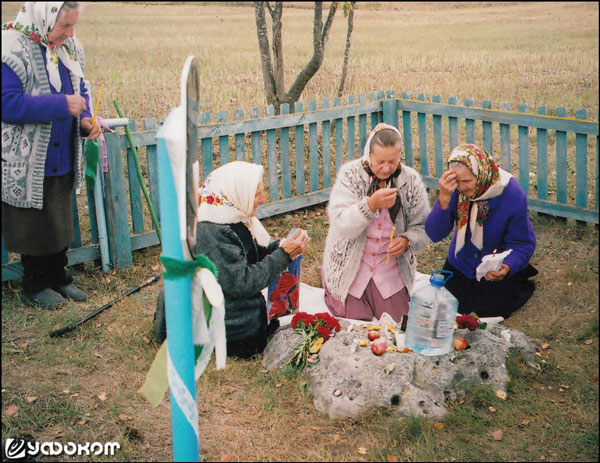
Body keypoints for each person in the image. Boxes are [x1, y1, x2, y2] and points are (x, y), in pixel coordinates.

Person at [154, 161, 310, 359]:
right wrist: (283, 255)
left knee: (257, 311)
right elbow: (241, 283)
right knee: (252, 317)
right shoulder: (210, 231)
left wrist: (278, 247)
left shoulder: (229, 216)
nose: (262, 199)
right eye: (256, 194)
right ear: (236, 193)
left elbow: (245, 256)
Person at [2, 2, 101, 309]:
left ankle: (59, 277)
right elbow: (8, 105)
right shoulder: (10, 49)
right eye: (64, 26)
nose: (70, 34)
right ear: (43, 18)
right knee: (33, 220)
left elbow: (79, 85)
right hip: (27, 156)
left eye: (73, 26)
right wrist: (62, 106)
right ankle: (35, 284)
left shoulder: (67, 46)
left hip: (61, 150)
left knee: (59, 214)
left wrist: (85, 119)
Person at [320, 123, 431, 323]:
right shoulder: (351, 175)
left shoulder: (410, 180)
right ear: (368, 155)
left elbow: (423, 227)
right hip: (351, 263)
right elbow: (340, 224)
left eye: (393, 161)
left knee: (396, 321)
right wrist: (370, 205)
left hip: (388, 265)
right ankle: (329, 279)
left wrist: (407, 241)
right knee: (354, 320)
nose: (386, 168)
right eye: (380, 161)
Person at [425, 143, 538, 318]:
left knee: (488, 312)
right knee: (447, 309)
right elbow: (434, 233)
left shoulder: (511, 193)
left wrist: (507, 266)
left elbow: (522, 243)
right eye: (457, 182)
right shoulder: (455, 190)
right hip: (463, 262)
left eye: (467, 181)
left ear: (482, 174)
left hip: (494, 267)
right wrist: (444, 200)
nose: (461, 188)